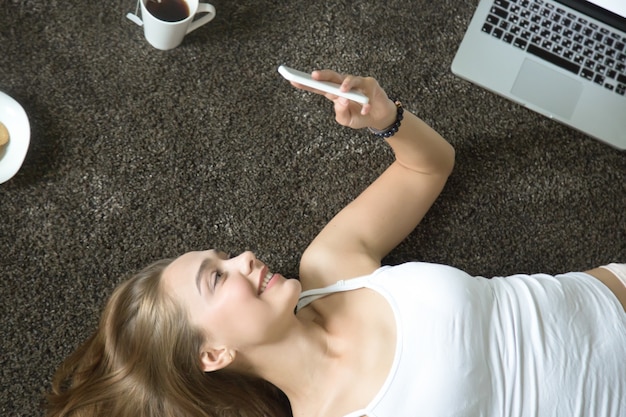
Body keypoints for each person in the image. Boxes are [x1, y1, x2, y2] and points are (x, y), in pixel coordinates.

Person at [46, 70, 626, 417]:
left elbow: (430, 167)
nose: (244, 258)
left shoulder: (331, 266)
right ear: (212, 355)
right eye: (217, 276)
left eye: (223, 256)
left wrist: (385, 117)